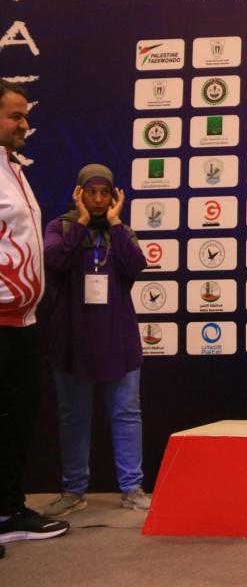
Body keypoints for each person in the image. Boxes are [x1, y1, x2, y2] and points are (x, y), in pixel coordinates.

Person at [37, 164, 150, 517]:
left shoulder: (122, 231)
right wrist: (82, 223)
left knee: (127, 414)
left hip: (119, 338)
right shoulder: (60, 227)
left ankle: (132, 488)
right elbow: (54, 261)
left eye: (105, 193)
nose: (99, 200)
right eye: (92, 192)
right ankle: (74, 490)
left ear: (114, 196)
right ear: (79, 193)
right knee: (74, 417)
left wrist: (115, 225)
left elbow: (135, 266)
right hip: (72, 339)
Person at [0, 79, 70, 550]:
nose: (25, 124)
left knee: (16, 421)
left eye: (26, 115)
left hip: (22, 324)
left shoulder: (13, 169)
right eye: (15, 115)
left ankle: (7, 510)